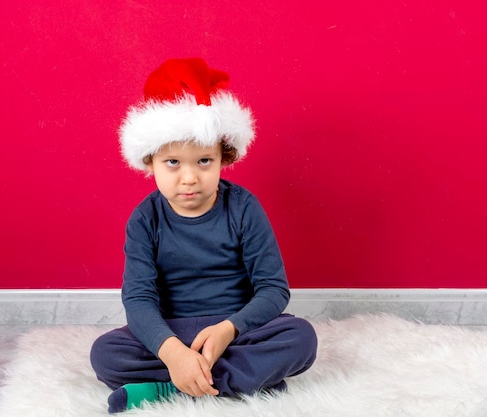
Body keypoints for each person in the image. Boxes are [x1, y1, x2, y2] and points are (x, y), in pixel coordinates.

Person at [90, 58, 318, 414]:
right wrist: (171, 350)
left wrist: (229, 329)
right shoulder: (145, 218)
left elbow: (274, 289)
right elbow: (138, 298)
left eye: (204, 162)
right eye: (173, 163)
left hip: (234, 332)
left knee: (301, 339)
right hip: (172, 332)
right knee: (106, 354)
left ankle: (170, 386)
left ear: (223, 158)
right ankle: (227, 378)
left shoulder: (244, 208)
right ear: (149, 162)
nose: (189, 177)